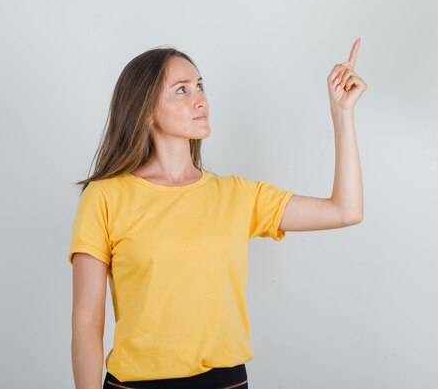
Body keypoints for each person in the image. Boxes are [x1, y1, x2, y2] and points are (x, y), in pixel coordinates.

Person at [68, 40, 366, 389]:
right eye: (181, 90)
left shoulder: (237, 195)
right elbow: (87, 323)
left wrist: (342, 114)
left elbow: (346, 211)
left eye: (200, 86)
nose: (200, 99)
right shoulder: (105, 197)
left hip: (225, 383)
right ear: (145, 110)